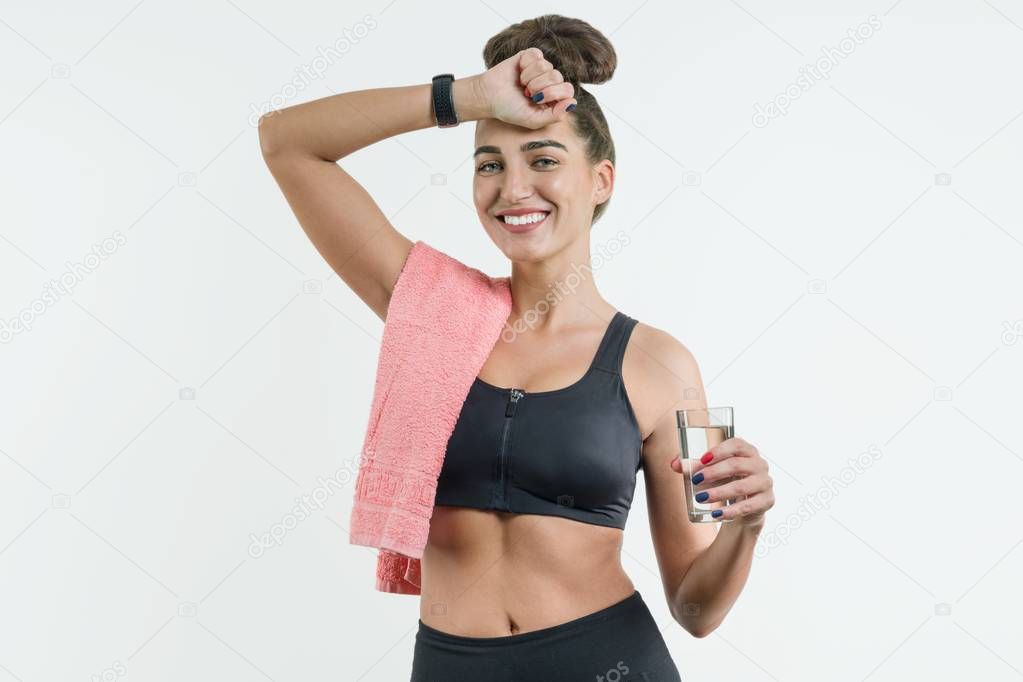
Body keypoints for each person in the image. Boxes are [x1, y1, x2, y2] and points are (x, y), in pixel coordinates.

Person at [258, 13, 775, 681]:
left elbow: (696, 609)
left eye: (544, 160)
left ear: (601, 180)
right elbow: (285, 143)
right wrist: (468, 97)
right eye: (489, 164)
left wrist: (744, 527)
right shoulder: (427, 310)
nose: (513, 188)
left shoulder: (663, 365)